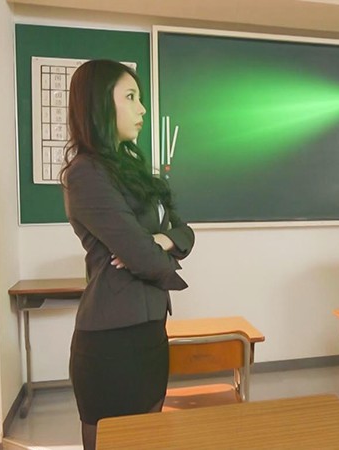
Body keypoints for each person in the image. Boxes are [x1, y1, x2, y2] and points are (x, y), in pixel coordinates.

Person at [60, 59, 195, 450]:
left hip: (150, 330)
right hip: (112, 341)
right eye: (131, 97)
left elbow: (184, 232)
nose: (143, 109)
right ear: (100, 103)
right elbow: (144, 258)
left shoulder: (131, 168)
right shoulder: (85, 174)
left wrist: (161, 241)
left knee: (150, 440)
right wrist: (149, 248)